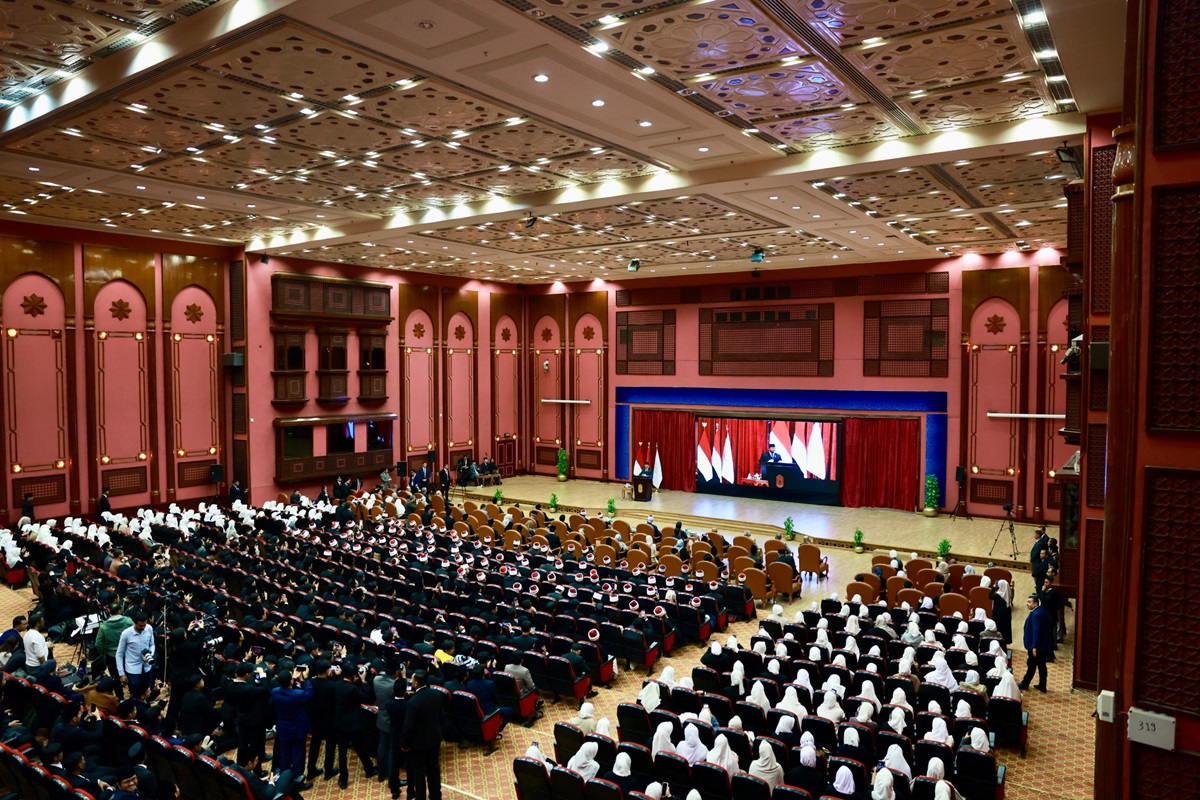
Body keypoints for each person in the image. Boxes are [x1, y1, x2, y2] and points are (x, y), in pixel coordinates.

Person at [401, 671, 445, 800]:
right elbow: (441, 718)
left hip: (418, 744)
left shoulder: (413, 702)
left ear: (416, 683)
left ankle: (420, 797)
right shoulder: (437, 694)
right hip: (434, 738)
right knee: (433, 768)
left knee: (419, 773)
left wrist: (404, 744)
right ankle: (436, 795)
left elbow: (408, 727)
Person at [270, 665, 314, 788]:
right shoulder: (298, 694)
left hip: (283, 728)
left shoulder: (275, 692)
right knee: (298, 756)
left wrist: (292, 681)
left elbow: (290, 692)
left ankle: (285, 780)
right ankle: (297, 781)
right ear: (290, 681)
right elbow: (309, 693)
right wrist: (305, 680)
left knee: (284, 755)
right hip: (297, 729)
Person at [1019, 594, 1053, 692]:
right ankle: (1042, 684)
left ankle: (1025, 683)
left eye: (1029, 602)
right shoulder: (1041, 610)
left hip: (1037, 646)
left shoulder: (1036, 614)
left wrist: (1034, 646)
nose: (1027, 604)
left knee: (1032, 664)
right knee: (1041, 665)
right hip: (1043, 644)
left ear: (1035, 603)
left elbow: (1036, 631)